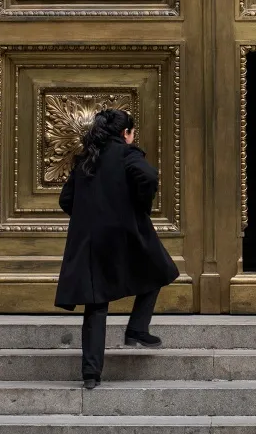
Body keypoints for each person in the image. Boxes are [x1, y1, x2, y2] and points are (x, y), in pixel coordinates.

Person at [56, 108, 178, 389]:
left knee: (96, 305)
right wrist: (139, 205)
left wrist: (90, 213)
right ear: (126, 133)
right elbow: (147, 177)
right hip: (124, 235)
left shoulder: (87, 157)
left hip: (91, 241)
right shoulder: (127, 153)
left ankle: (91, 374)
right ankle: (136, 328)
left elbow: (66, 199)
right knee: (160, 271)